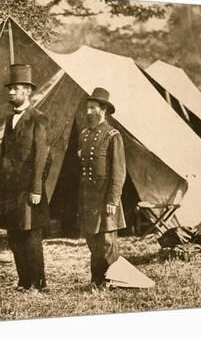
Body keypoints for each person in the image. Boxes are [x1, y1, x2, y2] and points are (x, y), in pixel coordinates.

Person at [0, 64, 51, 292]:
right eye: (10, 89)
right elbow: (5, 155)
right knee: (15, 236)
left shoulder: (39, 118)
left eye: (15, 89)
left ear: (27, 91)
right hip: (9, 191)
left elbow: (42, 157)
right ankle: (23, 281)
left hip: (29, 190)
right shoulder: (10, 119)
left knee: (31, 237)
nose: (10, 93)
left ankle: (39, 283)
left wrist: (36, 188)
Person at [77, 87, 126, 289]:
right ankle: (96, 280)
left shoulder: (113, 135)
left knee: (107, 243)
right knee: (93, 241)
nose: (88, 112)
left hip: (106, 198)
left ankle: (111, 281)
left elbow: (118, 171)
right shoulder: (84, 135)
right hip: (89, 198)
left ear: (103, 109)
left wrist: (113, 200)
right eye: (87, 107)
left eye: (93, 108)